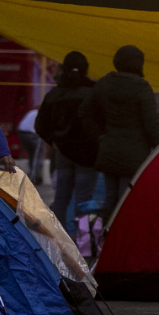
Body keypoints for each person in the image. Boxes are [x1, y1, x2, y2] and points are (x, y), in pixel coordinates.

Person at [79, 45, 159, 221]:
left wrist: (99, 136)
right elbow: (151, 124)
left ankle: (106, 241)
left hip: (109, 147)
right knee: (127, 202)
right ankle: (121, 243)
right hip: (134, 153)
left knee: (110, 200)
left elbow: (84, 112)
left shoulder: (105, 83)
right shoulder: (141, 87)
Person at [35, 52, 98, 233]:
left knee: (61, 198)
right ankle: (83, 242)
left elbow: (40, 126)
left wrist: (53, 140)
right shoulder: (93, 93)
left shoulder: (55, 94)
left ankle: (57, 240)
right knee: (84, 200)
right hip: (88, 155)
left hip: (63, 153)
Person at [16, 108, 43, 185]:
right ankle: (33, 177)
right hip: (32, 134)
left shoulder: (31, 112)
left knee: (32, 155)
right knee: (38, 156)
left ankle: (32, 174)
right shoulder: (41, 114)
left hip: (22, 133)